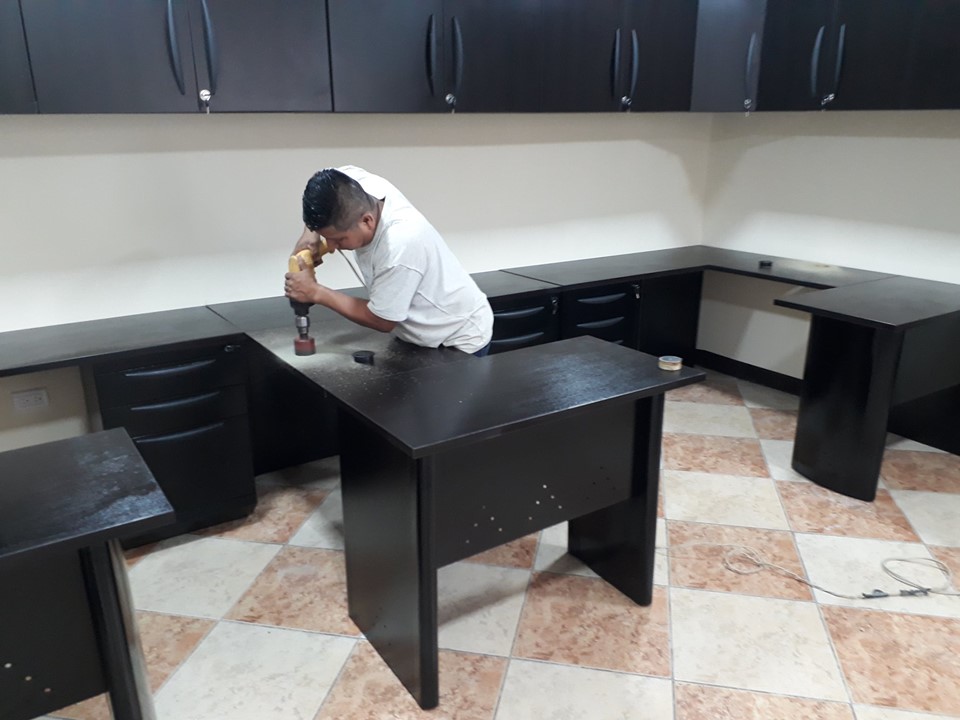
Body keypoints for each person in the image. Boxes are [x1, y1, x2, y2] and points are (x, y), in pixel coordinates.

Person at [284, 166, 493, 356]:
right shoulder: (354, 185)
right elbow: (321, 184)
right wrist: (311, 233)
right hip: (416, 332)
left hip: (456, 338)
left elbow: (382, 320)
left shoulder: (399, 246)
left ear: (367, 221)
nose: (330, 247)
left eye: (338, 239)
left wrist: (315, 292)